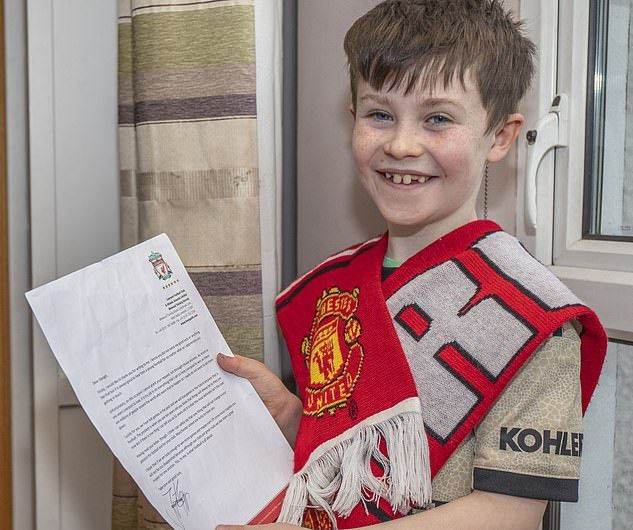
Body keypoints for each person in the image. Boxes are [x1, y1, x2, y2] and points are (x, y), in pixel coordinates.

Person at [216, 1, 607, 529]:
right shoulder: (340, 285)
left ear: (500, 136)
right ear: (353, 120)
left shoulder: (536, 317)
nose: (401, 145)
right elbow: (349, 465)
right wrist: (290, 417)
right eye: (380, 115)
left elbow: (508, 514)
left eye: (437, 118)